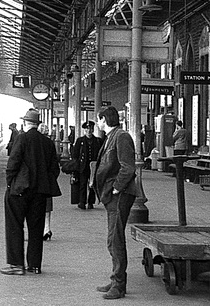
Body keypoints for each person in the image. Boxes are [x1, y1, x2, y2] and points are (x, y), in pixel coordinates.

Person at [0, 108, 61, 276]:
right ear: (38, 123)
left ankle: (17, 265)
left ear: (25, 123)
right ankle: (34, 266)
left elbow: (13, 164)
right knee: (36, 229)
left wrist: (10, 184)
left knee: (15, 226)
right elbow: (55, 169)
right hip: (40, 193)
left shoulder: (22, 138)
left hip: (20, 191)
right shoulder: (47, 143)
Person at [92, 106, 140, 300]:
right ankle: (116, 280)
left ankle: (118, 285)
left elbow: (128, 167)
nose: (97, 123)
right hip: (113, 196)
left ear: (104, 119)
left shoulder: (121, 136)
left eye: (98, 119)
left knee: (115, 239)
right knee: (114, 239)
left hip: (120, 195)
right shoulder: (112, 137)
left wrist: (116, 188)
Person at [72, 121, 103, 210]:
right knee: (82, 184)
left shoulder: (98, 141)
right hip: (83, 166)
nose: (89, 131)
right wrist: (75, 166)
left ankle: (90, 202)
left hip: (94, 166)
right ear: (84, 130)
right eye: (87, 129)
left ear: (93, 130)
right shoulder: (80, 141)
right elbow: (75, 154)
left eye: (90, 129)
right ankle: (82, 201)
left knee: (92, 184)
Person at [38, 123, 55, 241]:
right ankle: (47, 229)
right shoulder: (50, 144)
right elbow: (55, 165)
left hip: (37, 181)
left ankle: (41, 230)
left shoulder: (36, 144)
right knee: (47, 207)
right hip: (47, 181)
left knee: (37, 208)